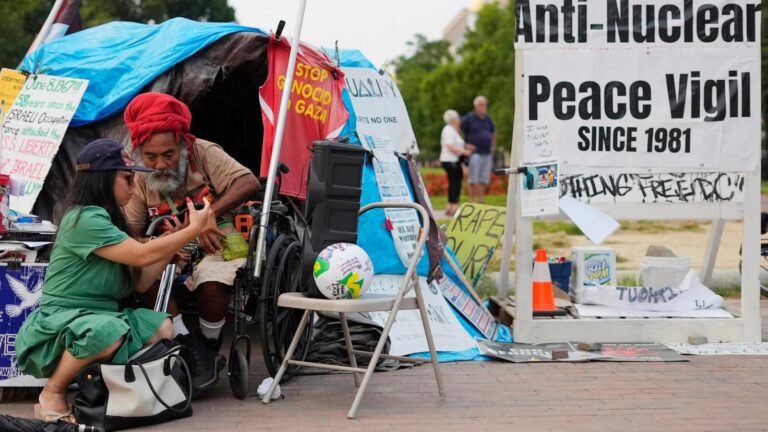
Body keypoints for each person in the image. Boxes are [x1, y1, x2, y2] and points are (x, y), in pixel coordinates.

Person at [15, 139, 212, 422]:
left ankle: (109, 391)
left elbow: (141, 282)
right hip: (62, 321)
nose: (134, 185)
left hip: (99, 318)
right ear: (104, 179)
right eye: (127, 177)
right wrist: (193, 229)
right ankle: (52, 392)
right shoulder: (84, 219)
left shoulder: (108, 221)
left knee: (162, 327)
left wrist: (169, 245)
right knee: (110, 332)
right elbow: (143, 255)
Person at [122, 92, 260, 394]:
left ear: (183, 146)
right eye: (151, 157)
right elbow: (130, 230)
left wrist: (209, 213)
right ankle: (188, 345)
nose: (160, 164)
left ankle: (209, 346)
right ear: (139, 153)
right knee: (146, 276)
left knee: (212, 282)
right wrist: (155, 242)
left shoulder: (204, 153)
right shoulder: (139, 177)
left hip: (218, 240)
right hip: (173, 244)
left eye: (168, 155)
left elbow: (248, 182)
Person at [461, 95, 497, 203]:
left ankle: (481, 200)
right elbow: (458, 128)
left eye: (485, 104)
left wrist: (493, 145)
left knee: (483, 179)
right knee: (473, 179)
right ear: (475, 106)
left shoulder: (487, 118)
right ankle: (472, 200)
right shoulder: (469, 118)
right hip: (475, 153)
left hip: (486, 152)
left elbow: (493, 132)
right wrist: (464, 144)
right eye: (481, 104)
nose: (484, 107)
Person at [439, 109, 472, 216]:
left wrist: (465, 147)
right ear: (454, 119)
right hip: (450, 160)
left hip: (453, 160)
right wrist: (464, 151)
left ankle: (451, 206)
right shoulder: (448, 129)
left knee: (454, 182)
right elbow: (450, 146)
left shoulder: (452, 130)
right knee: (455, 183)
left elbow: (455, 144)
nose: (460, 120)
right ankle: (453, 206)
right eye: (458, 118)